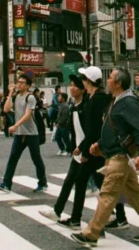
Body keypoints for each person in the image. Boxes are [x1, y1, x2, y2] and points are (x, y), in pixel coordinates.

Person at [69, 68, 139, 247]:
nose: (108, 80)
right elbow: (112, 128)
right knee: (135, 193)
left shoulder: (128, 101)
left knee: (108, 193)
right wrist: (99, 144)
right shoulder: (117, 100)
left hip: (120, 156)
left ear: (119, 83)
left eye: (111, 78)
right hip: (114, 153)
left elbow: (138, 129)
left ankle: (91, 233)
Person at [42, 75, 96, 226]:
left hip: (90, 151)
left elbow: (91, 131)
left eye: (75, 86)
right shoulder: (73, 106)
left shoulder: (86, 106)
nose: (72, 88)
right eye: (71, 85)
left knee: (103, 184)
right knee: (71, 182)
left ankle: (117, 214)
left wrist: (83, 149)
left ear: (83, 89)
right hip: (79, 152)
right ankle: (61, 213)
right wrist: (74, 148)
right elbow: (74, 131)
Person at [0, 75, 48, 193]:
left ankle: (43, 183)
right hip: (19, 134)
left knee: (36, 159)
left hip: (31, 134)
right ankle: (7, 184)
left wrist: (15, 125)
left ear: (28, 86)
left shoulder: (30, 98)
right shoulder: (16, 97)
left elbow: (28, 115)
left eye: (22, 83)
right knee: (13, 158)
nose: (19, 84)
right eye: (18, 82)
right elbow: (6, 109)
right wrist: (10, 93)